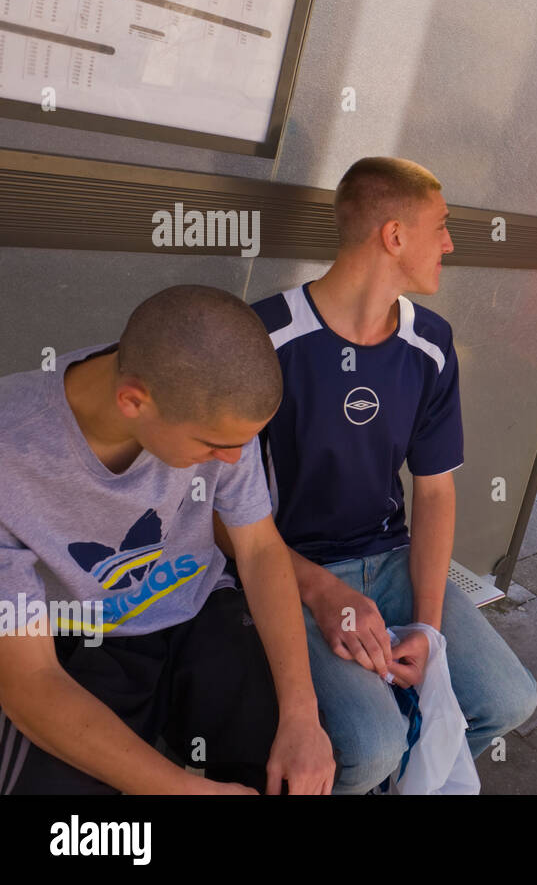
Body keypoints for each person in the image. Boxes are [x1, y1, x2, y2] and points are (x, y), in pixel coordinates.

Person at [233, 157, 537, 794]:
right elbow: (216, 512)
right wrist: (319, 591)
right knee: (370, 747)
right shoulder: (263, 337)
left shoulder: (430, 342)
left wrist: (427, 627)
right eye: (442, 226)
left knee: (508, 700)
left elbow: (433, 490)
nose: (450, 243)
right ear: (394, 236)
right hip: (291, 570)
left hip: (391, 561)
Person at [0, 285, 335, 794]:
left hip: (198, 609)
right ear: (133, 401)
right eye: (214, 445)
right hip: (74, 641)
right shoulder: (12, 451)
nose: (232, 460)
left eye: (240, 446)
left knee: (295, 771)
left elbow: (260, 548)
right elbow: (27, 683)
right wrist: (183, 791)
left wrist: (302, 716)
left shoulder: (216, 411)